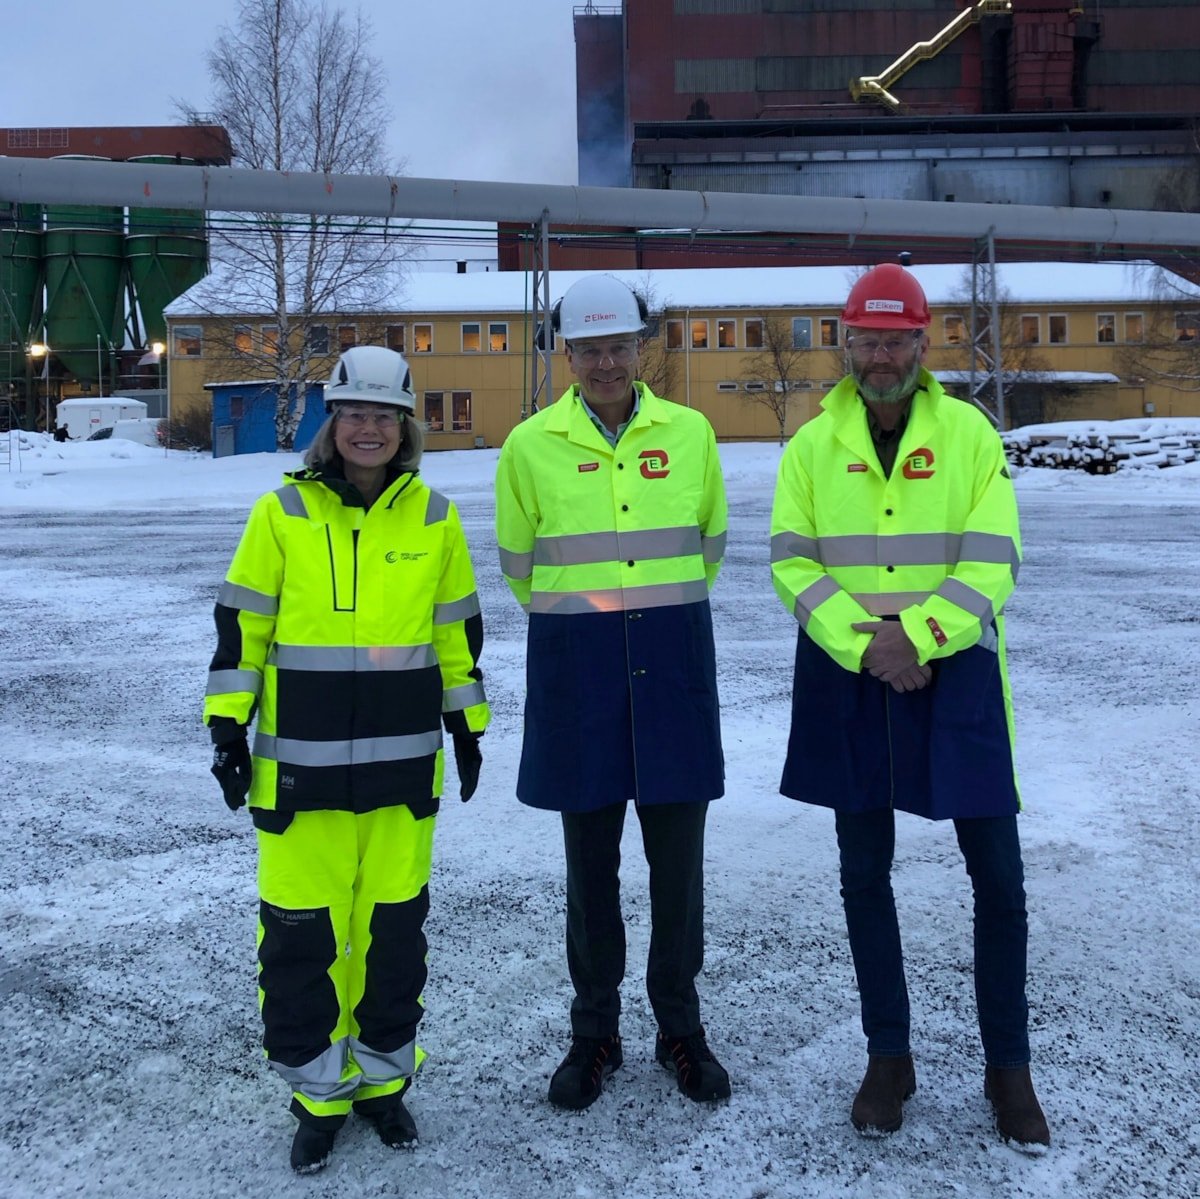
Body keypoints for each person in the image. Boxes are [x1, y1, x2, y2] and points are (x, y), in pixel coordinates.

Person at [769, 263, 1050, 1152]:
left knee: (998, 880)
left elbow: (995, 556)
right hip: (853, 669)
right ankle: (888, 1057)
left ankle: (1009, 1069)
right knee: (863, 876)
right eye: (866, 336)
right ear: (845, 342)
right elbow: (791, 560)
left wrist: (915, 637)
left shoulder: (969, 433)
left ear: (923, 344)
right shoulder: (811, 444)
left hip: (953, 668)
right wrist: (867, 645)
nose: (879, 353)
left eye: (895, 338)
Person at [204, 345, 489, 1174]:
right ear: (333, 422)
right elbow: (241, 631)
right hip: (299, 776)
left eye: (385, 416)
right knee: (301, 941)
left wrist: (467, 726)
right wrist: (227, 726)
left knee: (393, 937)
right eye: (355, 414)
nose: (369, 429)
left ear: (406, 428)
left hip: (404, 774)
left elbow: (456, 638)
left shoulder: (434, 517)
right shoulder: (280, 513)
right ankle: (316, 1095)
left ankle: (382, 1085)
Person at [495, 274, 731, 1111]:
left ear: (642, 349)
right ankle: (594, 1031)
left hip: (670, 669)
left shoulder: (693, 434)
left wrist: (641, 614)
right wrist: (599, 617)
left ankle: (681, 1027)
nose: (603, 361)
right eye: (588, 349)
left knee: (679, 875)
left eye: (617, 346)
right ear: (568, 354)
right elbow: (520, 570)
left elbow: (708, 545)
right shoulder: (528, 446)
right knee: (588, 875)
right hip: (579, 675)